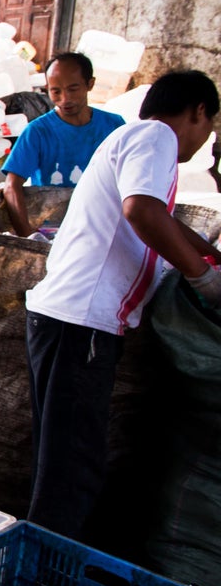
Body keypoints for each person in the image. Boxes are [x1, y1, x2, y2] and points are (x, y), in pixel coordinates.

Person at [24, 69, 221, 539]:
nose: (205, 139)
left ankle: (44, 580)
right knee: (71, 475)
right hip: (80, 325)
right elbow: (142, 213)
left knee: (63, 465)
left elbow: (162, 219)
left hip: (69, 322)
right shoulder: (154, 138)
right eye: (210, 125)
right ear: (197, 111)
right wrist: (203, 276)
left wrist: (210, 254)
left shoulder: (136, 142)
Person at [2, 52, 126, 236]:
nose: (65, 99)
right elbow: (11, 186)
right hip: (55, 227)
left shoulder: (114, 126)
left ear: (89, 84)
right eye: (56, 91)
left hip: (104, 224)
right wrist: (28, 236)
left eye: (73, 89)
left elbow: (129, 177)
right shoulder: (38, 131)